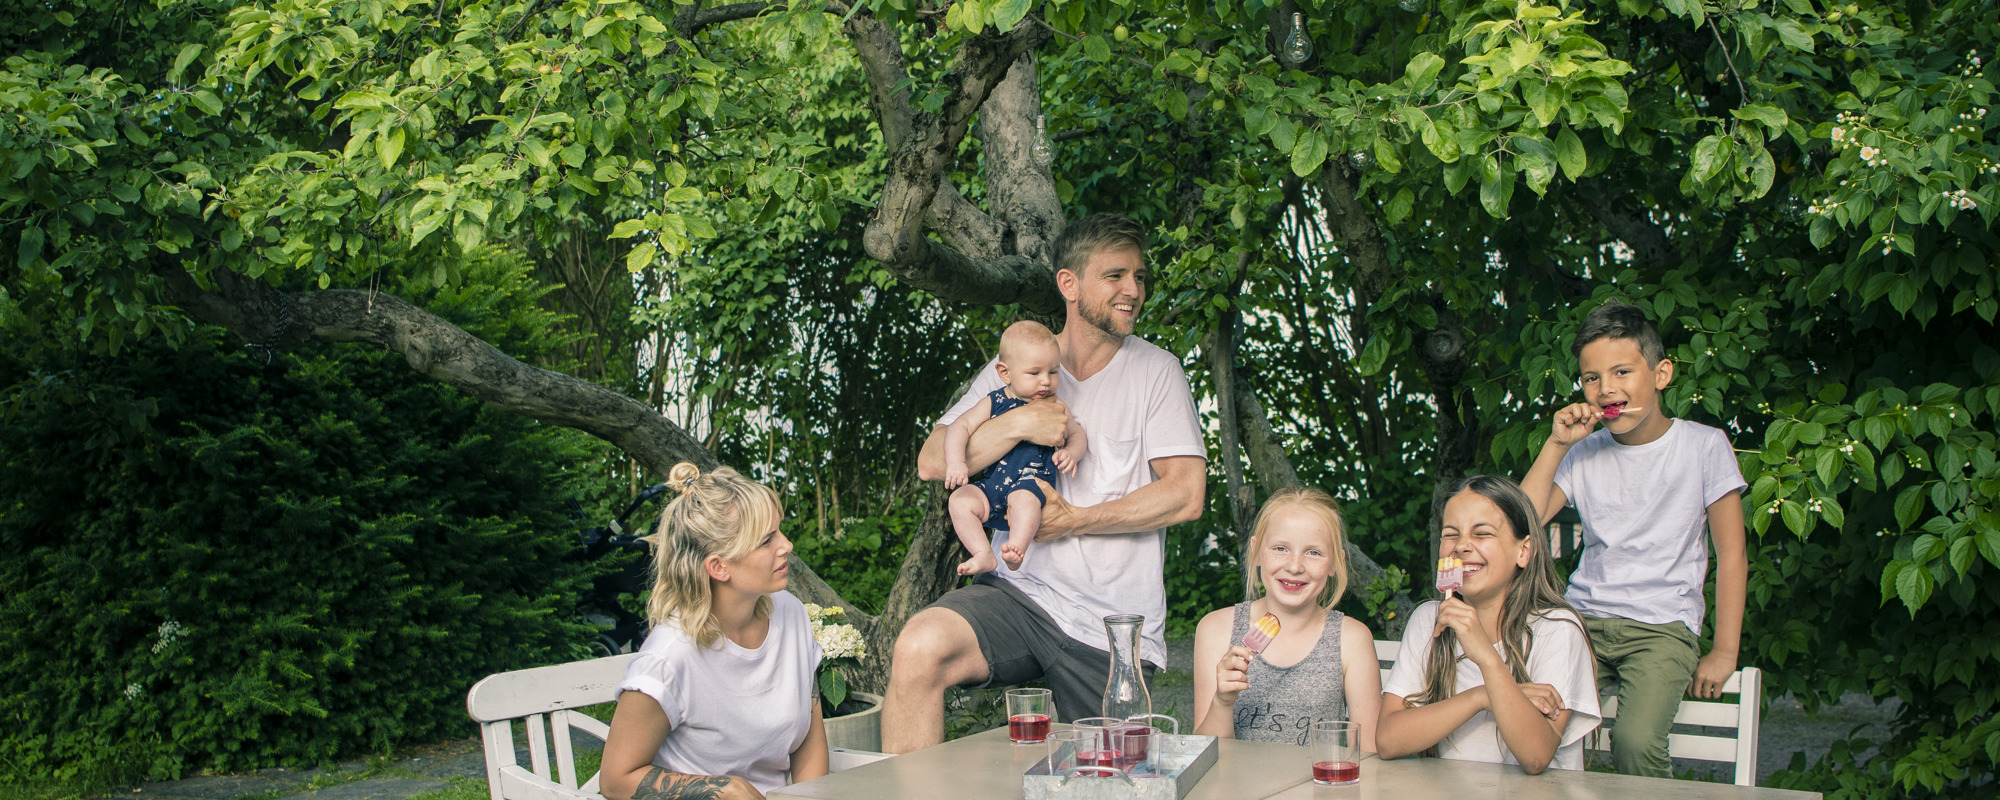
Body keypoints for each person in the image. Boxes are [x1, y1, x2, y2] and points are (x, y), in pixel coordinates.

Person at [885, 213, 1207, 752]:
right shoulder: (1018, 364)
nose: (1134, 290)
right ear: (1069, 284)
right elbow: (931, 460)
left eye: (1140, 277)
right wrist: (1015, 424)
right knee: (920, 648)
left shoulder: (1157, 371)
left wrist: (1076, 521)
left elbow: (1186, 493)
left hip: (1111, 621)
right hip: (1021, 592)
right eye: (1116, 276)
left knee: (1119, 775)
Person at [1518, 301, 1748, 778]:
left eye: (1622, 371)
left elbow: (1732, 554)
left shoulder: (1704, 446)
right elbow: (1521, 521)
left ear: (1661, 373)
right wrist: (1558, 443)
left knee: (1635, 742)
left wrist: (1724, 651)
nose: (1607, 389)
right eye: (1591, 378)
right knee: (1534, 725)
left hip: (1663, 628)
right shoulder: (1583, 452)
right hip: (1583, 621)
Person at [601, 463, 828, 800]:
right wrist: (716, 788)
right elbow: (615, 779)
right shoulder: (668, 659)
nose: (787, 545)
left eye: (779, 531)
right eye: (767, 540)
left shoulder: (790, 612)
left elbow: (808, 738)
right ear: (719, 567)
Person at [1377, 475, 1601, 774]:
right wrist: (1481, 697)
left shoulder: (1557, 628)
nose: (1462, 546)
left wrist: (1486, 656)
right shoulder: (1429, 620)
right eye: (1450, 534)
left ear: (1524, 551)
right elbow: (1389, 740)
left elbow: (1535, 757)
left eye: (1482, 534)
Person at [1192, 487, 1382, 748]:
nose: (1294, 566)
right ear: (1257, 552)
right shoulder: (1216, 630)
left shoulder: (1351, 639)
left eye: (1313, 552)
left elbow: (1368, 753)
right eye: (1280, 548)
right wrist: (1222, 702)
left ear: (1335, 564)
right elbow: (1204, 755)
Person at [942, 320, 1089, 575]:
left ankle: (1016, 549)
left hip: (1029, 485)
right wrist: (956, 462)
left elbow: (1078, 434)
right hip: (990, 489)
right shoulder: (994, 401)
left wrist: (1071, 453)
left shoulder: (1056, 405)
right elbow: (959, 427)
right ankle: (983, 552)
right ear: (1005, 372)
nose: (1046, 381)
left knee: (1023, 499)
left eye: (1053, 372)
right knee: (959, 500)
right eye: (1035, 373)